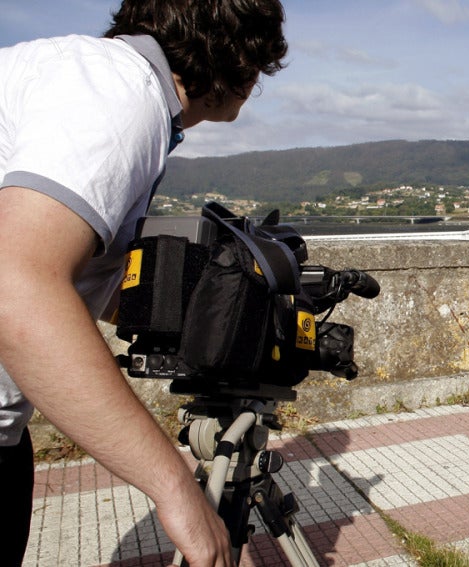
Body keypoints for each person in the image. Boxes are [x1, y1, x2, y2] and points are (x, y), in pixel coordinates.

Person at [0, 1, 287, 565]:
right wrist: (177, 488)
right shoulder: (117, 93)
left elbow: (66, 279)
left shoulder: (69, 70)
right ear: (240, 59)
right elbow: (16, 285)